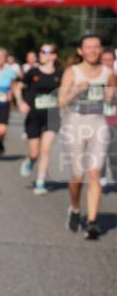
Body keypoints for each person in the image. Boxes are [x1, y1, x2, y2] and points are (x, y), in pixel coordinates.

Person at [58, 34, 115, 240]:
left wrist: (110, 96)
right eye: (88, 47)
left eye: (96, 47)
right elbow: (61, 102)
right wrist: (76, 91)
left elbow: (111, 96)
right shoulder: (72, 72)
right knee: (77, 176)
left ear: (101, 50)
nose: (92, 50)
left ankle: (92, 221)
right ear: (80, 51)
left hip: (98, 125)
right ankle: (74, 208)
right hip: (74, 125)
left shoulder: (108, 72)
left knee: (94, 173)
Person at [17, 43, 63, 195]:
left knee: (46, 150)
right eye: (41, 51)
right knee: (35, 153)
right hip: (34, 116)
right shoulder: (33, 72)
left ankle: (40, 182)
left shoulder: (60, 73)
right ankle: (30, 160)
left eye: (46, 51)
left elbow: (66, 92)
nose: (42, 53)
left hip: (52, 115)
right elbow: (18, 87)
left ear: (54, 55)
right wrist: (21, 102)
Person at [102, 47, 117, 188]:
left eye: (110, 59)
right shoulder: (96, 79)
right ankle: (99, 177)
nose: (107, 62)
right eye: (104, 60)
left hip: (114, 120)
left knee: (113, 152)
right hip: (97, 121)